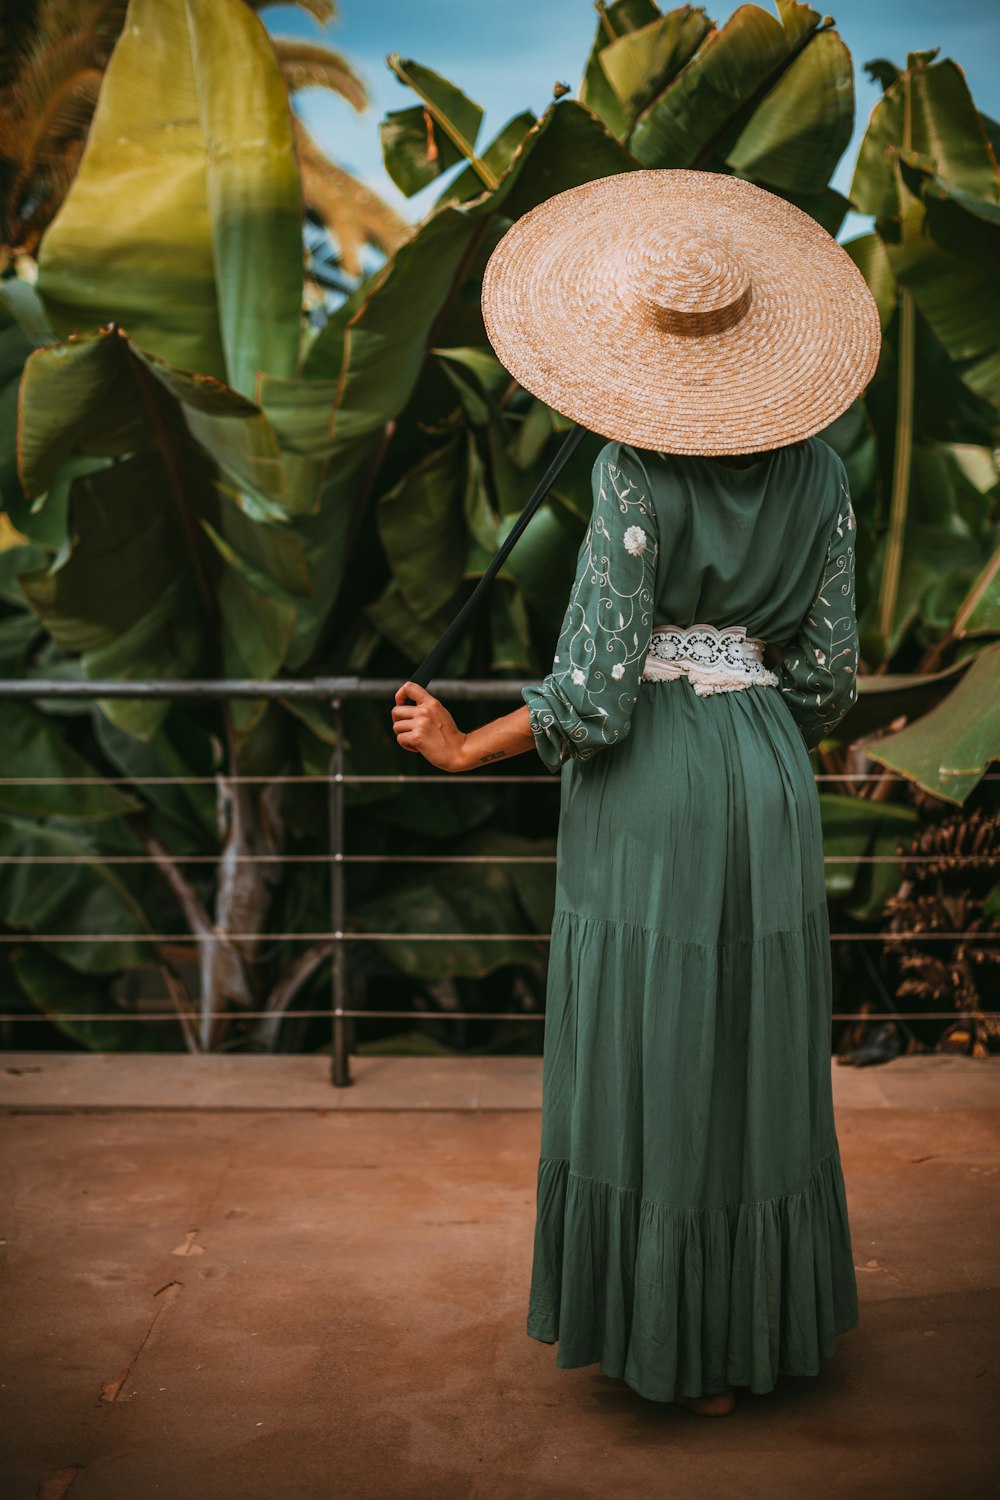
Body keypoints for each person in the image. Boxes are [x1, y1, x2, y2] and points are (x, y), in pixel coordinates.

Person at [391, 169, 881, 1418]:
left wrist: (459, 749)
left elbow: (592, 698)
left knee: (653, 1036)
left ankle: (663, 1336)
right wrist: (754, 703)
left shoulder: (628, 474)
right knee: (749, 1042)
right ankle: (751, 1334)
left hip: (649, 782)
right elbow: (829, 681)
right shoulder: (823, 478)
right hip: (766, 772)